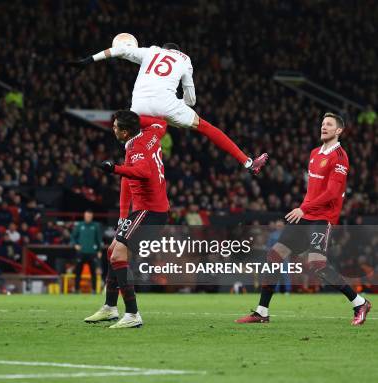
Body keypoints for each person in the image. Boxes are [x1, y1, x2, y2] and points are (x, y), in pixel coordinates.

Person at [236, 113, 371, 325]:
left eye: (329, 125)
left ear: (339, 131)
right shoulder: (314, 153)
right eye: (322, 124)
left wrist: (303, 208)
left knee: (317, 264)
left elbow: (332, 194)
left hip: (322, 219)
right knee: (274, 255)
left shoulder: (340, 158)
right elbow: (314, 191)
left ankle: (359, 302)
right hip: (306, 216)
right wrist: (304, 210)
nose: (324, 127)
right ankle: (262, 312)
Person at [69, 41, 268, 174]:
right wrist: (181, 105)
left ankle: (127, 172)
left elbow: (120, 50)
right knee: (207, 128)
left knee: (134, 142)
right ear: (177, 50)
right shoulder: (184, 60)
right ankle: (248, 162)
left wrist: (88, 60)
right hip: (167, 105)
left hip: (139, 108)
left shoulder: (152, 51)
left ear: (164, 48)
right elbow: (191, 98)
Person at [84, 111, 169, 328]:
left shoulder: (136, 147)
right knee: (113, 250)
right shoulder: (151, 134)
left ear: (124, 131)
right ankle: (110, 308)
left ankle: (132, 314)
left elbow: (143, 172)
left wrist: (114, 169)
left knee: (118, 254)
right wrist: (123, 217)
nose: (112, 130)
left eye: (115, 127)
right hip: (145, 210)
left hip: (150, 210)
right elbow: (161, 122)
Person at [70, 210, 103, 293]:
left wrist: (99, 250)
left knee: (93, 273)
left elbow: (99, 239)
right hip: (81, 252)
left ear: (92, 217)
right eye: (87, 216)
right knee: (78, 272)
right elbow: (73, 237)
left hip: (92, 253)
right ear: (84, 216)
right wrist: (75, 245)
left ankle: (94, 290)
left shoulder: (96, 226)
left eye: (89, 216)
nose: (88, 217)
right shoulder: (79, 225)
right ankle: (77, 289)